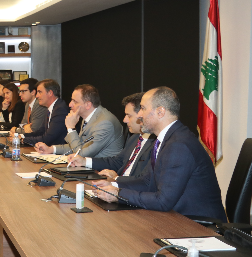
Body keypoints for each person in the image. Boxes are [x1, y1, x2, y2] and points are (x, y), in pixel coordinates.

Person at [94, 87, 227, 221]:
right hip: (175, 217)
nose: (139, 115)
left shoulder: (178, 145)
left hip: (198, 225)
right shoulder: (166, 139)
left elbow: (163, 201)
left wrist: (118, 194)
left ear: (160, 112)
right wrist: (113, 185)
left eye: (143, 108)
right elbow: (147, 182)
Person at [68, 92, 155, 181]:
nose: (124, 120)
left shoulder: (155, 144)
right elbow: (117, 162)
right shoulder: (135, 138)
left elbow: (145, 180)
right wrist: (84, 161)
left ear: (142, 115)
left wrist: (116, 178)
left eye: (129, 116)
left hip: (127, 187)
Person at [35, 84, 123, 158]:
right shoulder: (88, 117)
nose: (70, 104)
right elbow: (78, 146)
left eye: (75, 101)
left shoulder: (104, 123)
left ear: (88, 105)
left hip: (101, 170)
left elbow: (81, 154)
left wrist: (71, 128)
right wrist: (51, 149)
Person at [21, 79, 69, 147]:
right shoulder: (49, 109)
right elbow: (41, 132)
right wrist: (22, 136)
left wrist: (24, 140)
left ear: (50, 93)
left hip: (59, 151)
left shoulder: (60, 110)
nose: (37, 96)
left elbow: (47, 139)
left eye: (40, 92)